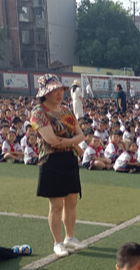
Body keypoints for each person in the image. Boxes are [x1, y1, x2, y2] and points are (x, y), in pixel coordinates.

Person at [30, 74, 85, 258]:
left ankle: (70, 237)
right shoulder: (39, 112)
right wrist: (74, 144)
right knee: (56, 205)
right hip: (51, 161)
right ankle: (58, 242)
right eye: (54, 90)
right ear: (45, 93)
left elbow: (81, 135)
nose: (59, 93)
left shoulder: (66, 110)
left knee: (71, 201)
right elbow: (51, 141)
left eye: (60, 89)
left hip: (68, 159)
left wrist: (70, 143)